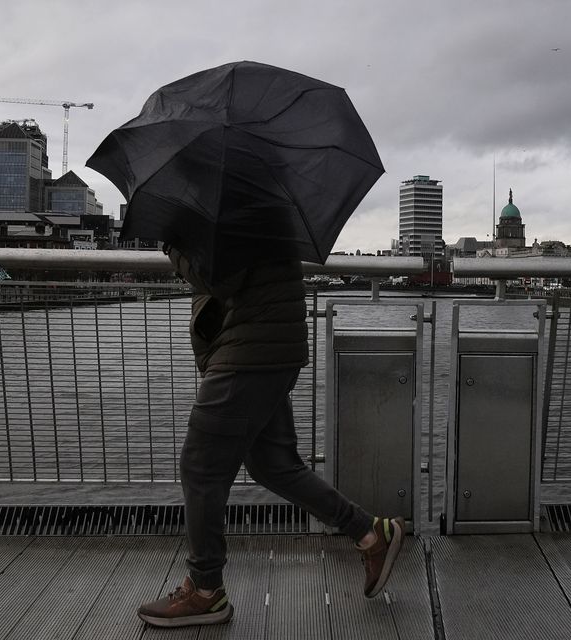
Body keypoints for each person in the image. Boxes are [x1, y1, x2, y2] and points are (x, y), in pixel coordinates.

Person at [137, 245, 405, 628]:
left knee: (200, 470)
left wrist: (175, 246)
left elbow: (220, 276)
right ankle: (370, 533)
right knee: (274, 465)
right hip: (267, 348)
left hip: (247, 354)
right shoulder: (258, 194)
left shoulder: (231, 197)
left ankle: (205, 590)